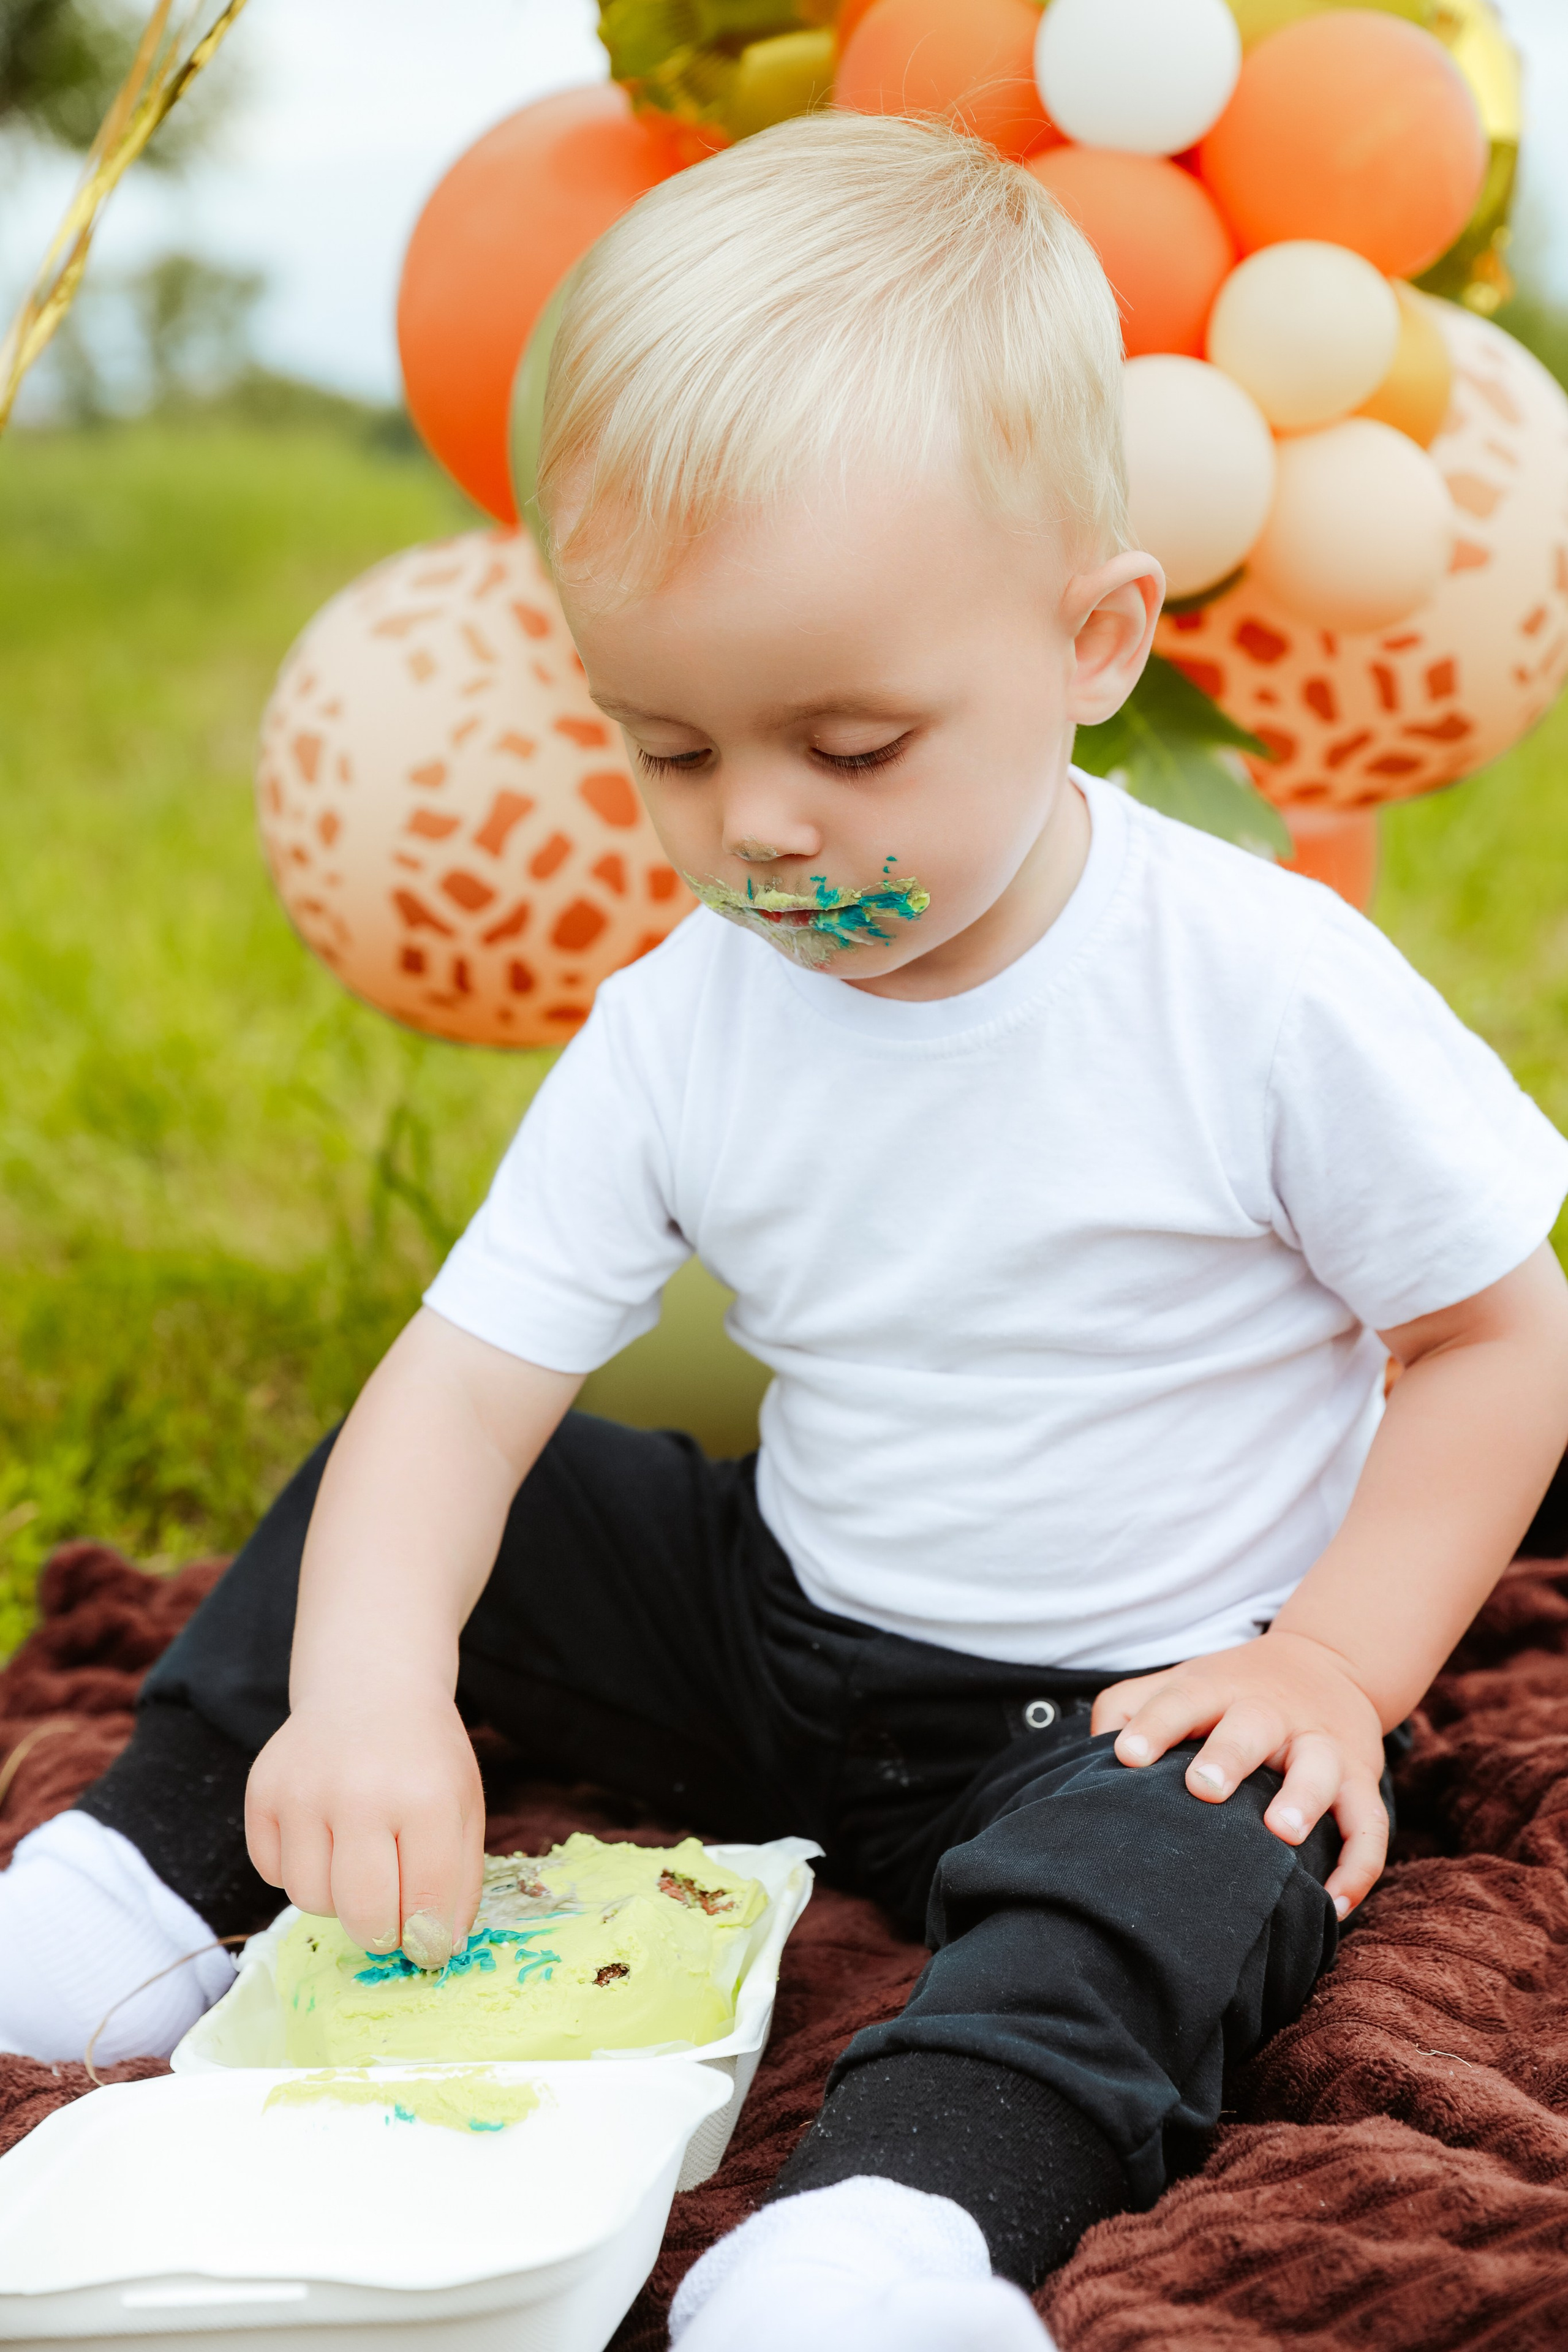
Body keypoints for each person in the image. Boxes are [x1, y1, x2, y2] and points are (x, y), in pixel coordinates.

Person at [4, 113, 1568, 2352]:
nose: (758, 831)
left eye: (853, 744)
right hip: (787, 1631)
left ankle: (902, 2219)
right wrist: (368, 1690)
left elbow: (1502, 1339)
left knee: (1203, 1858)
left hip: (1138, 1688)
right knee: (453, 1507)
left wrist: (1335, 1663)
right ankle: (148, 1873)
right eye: (671, 748)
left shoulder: (1253, 986)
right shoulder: (689, 1015)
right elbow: (463, 1387)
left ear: (1096, 641)